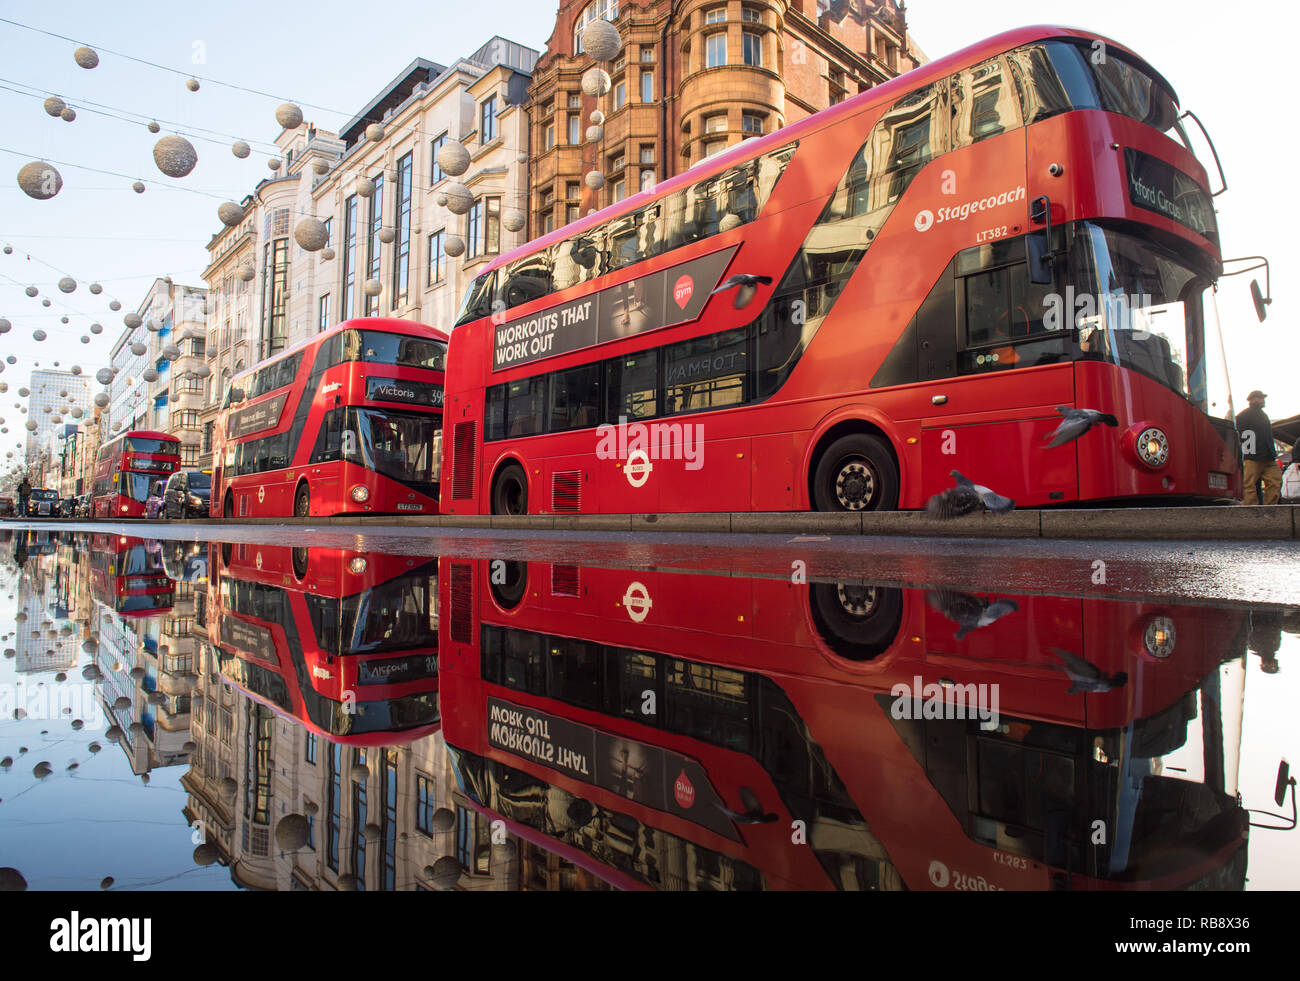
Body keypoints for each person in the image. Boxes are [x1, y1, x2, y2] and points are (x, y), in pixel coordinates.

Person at [1236, 390, 1281, 505]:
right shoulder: (1244, 415)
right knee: (1250, 484)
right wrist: (1249, 452)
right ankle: (1252, 508)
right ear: (1253, 400)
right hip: (1254, 456)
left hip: (1266, 456)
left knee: (1274, 481)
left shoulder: (1261, 415)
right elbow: (1243, 435)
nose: (1263, 401)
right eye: (1261, 398)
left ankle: (1268, 507)